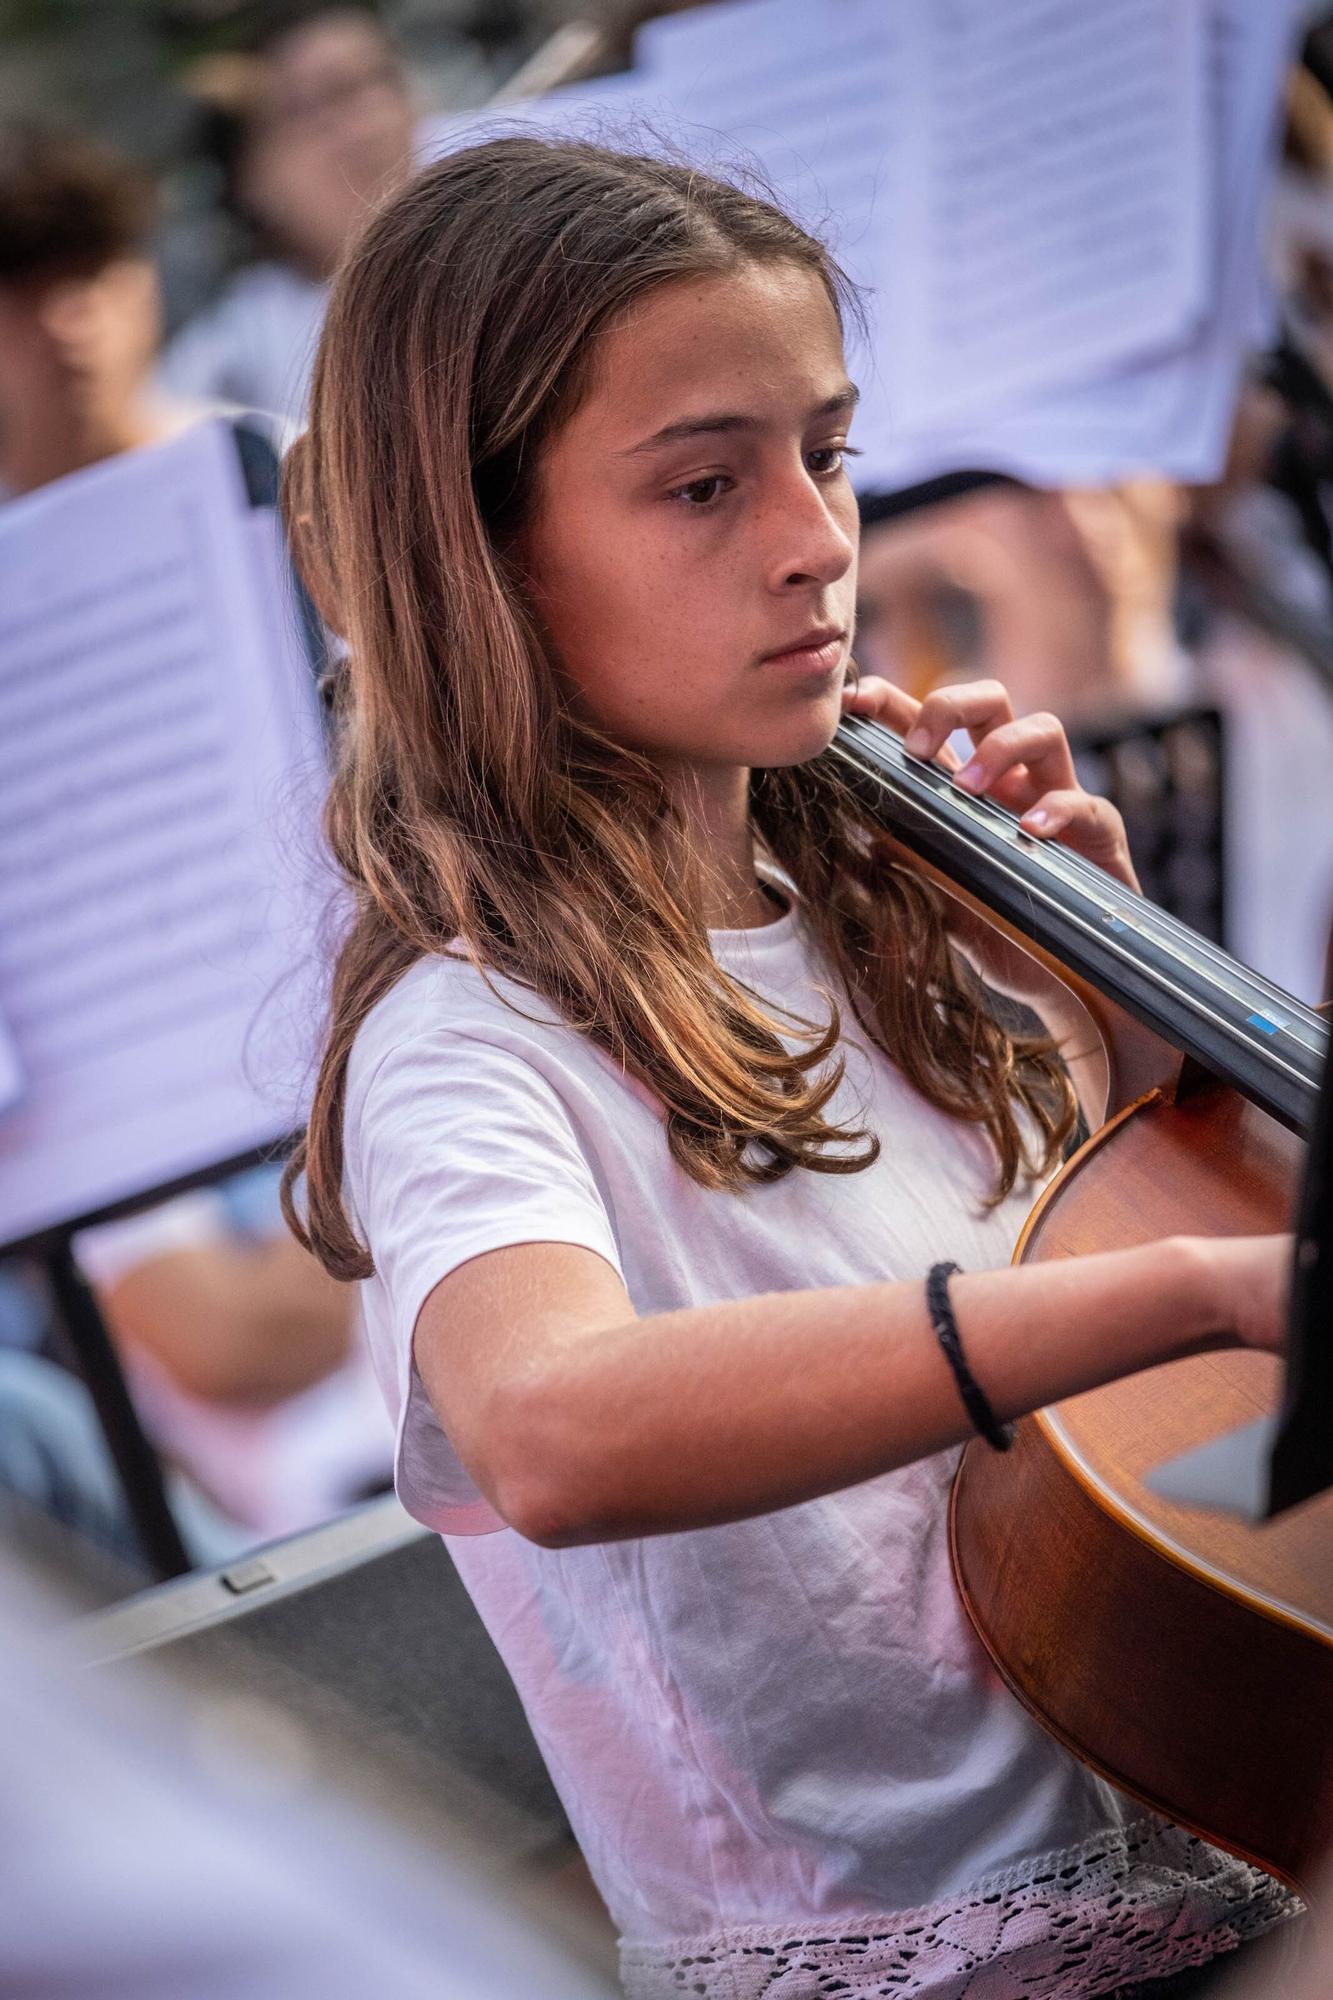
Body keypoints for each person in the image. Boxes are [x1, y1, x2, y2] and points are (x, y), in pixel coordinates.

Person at [284, 138, 1302, 1998]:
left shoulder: (888, 918)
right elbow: (557, 1431)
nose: (818, 537)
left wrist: (1146, 1027)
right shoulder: (467, 1038)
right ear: (481, 552)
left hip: (1218, 1857)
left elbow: (1155, 1486)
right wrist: (1177, 1289)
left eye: (823, 452)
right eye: (702, 484)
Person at [0, 121, 387, 1573]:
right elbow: (229, 1343)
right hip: (190, 1138)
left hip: (393, 1046)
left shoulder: (293, 487)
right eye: (16, 290)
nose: (65, 324)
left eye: (90, 269)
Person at [160, 2, 417, 423]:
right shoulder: (227, 366)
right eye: (307, 108)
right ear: (247, 176)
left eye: (372, 81)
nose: (359, 128)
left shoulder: (516, 227)